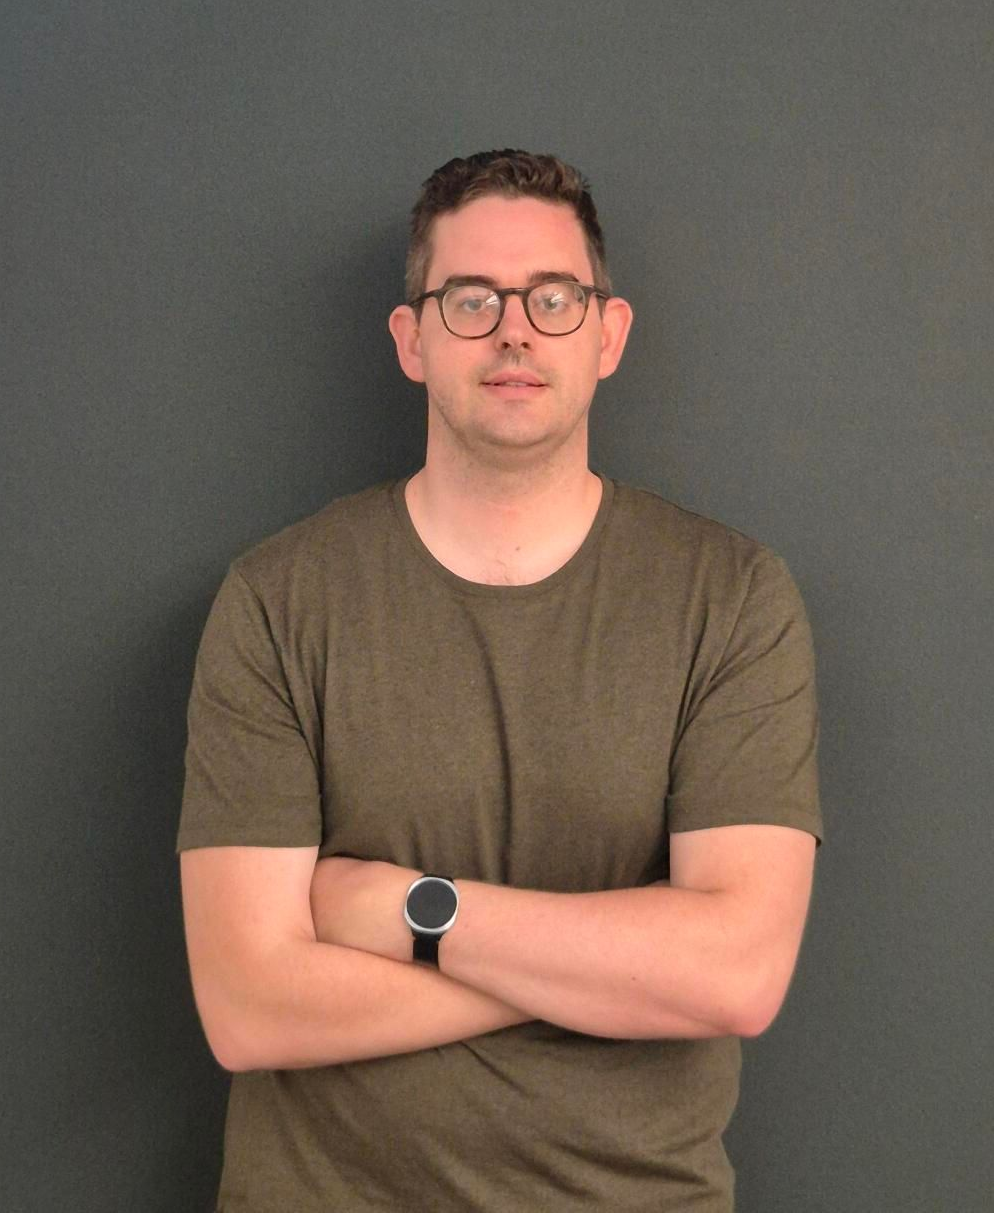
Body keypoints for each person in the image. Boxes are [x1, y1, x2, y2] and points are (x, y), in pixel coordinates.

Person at [177, 148, 822, 1212]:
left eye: (552, 297)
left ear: (607, 335)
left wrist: (411, 913)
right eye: (470, 298)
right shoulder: (277, 600)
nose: (514, 329)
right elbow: (250, 1008)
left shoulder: (731, 596)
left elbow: (733, 975)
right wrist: (605, 973)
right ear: (412, 340)